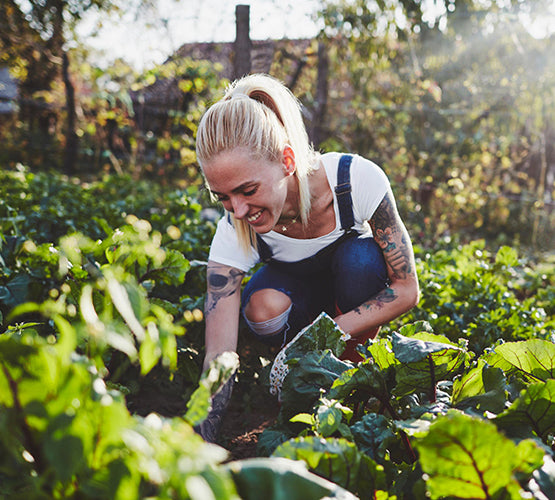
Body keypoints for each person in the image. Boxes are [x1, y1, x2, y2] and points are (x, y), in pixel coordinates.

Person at [195, 73, 419, 441]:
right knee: (262, 309)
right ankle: (296, 379)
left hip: (350, 291)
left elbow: (407, 290)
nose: (236, 210)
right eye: (222, 196)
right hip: (298, 293)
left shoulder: (355, 180)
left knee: (361, 263)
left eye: (247, 190)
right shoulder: (233, 228)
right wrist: (201, 433)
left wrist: (321, 337)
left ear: (286, 161)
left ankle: (349, 373)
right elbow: (219, 353)